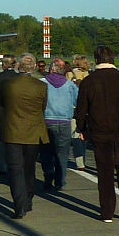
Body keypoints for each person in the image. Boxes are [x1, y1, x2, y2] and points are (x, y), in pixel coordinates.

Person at [74, 45, 119, 222]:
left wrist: (82, 128)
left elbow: (81, 109)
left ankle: (107, 212)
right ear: (113, 58)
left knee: (105, 170)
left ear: (96, 59)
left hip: (100, 130)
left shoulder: (89, 81)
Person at [0, 53, 49, 219]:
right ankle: (28, 200)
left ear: (18, 66)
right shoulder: (41, 86)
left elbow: (0, 103)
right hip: (34, 132)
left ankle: (19, 204)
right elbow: (43, 107)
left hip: (12, 131)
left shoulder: (7, 84)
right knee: (29, 168)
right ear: (34, 67)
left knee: (15, 169)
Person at [40, 58, 78, 191]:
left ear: (51, 69)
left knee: (46, 151)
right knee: (62, 152)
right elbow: (76, 102)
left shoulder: (42, 83)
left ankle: (48, 170)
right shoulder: (70, 85)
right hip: (64, 122)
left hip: (46, 120)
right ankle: (60, 181)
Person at [69, 54, 91, 170]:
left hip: (75, 107)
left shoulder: (71, 74)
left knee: (77, 134)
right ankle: (82, 159)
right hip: (88, 108)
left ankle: (80, 162)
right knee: (83, 136)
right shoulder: (90, 75)